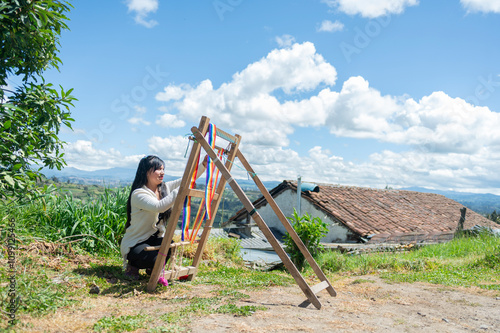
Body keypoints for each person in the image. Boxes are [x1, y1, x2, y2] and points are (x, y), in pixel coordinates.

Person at [120, 155, 206, 279]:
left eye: (163, 169)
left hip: (154, 238)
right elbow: (159, 206)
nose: (162, 172)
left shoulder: (164, 188)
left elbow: (185, 179)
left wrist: (203, 165)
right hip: (136, 243)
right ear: (146, 172)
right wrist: (181, 190)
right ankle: (133, 265)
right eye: (158, 169)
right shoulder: (139, 194)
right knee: (155, 257)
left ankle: (152, 269)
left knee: (169, 246)